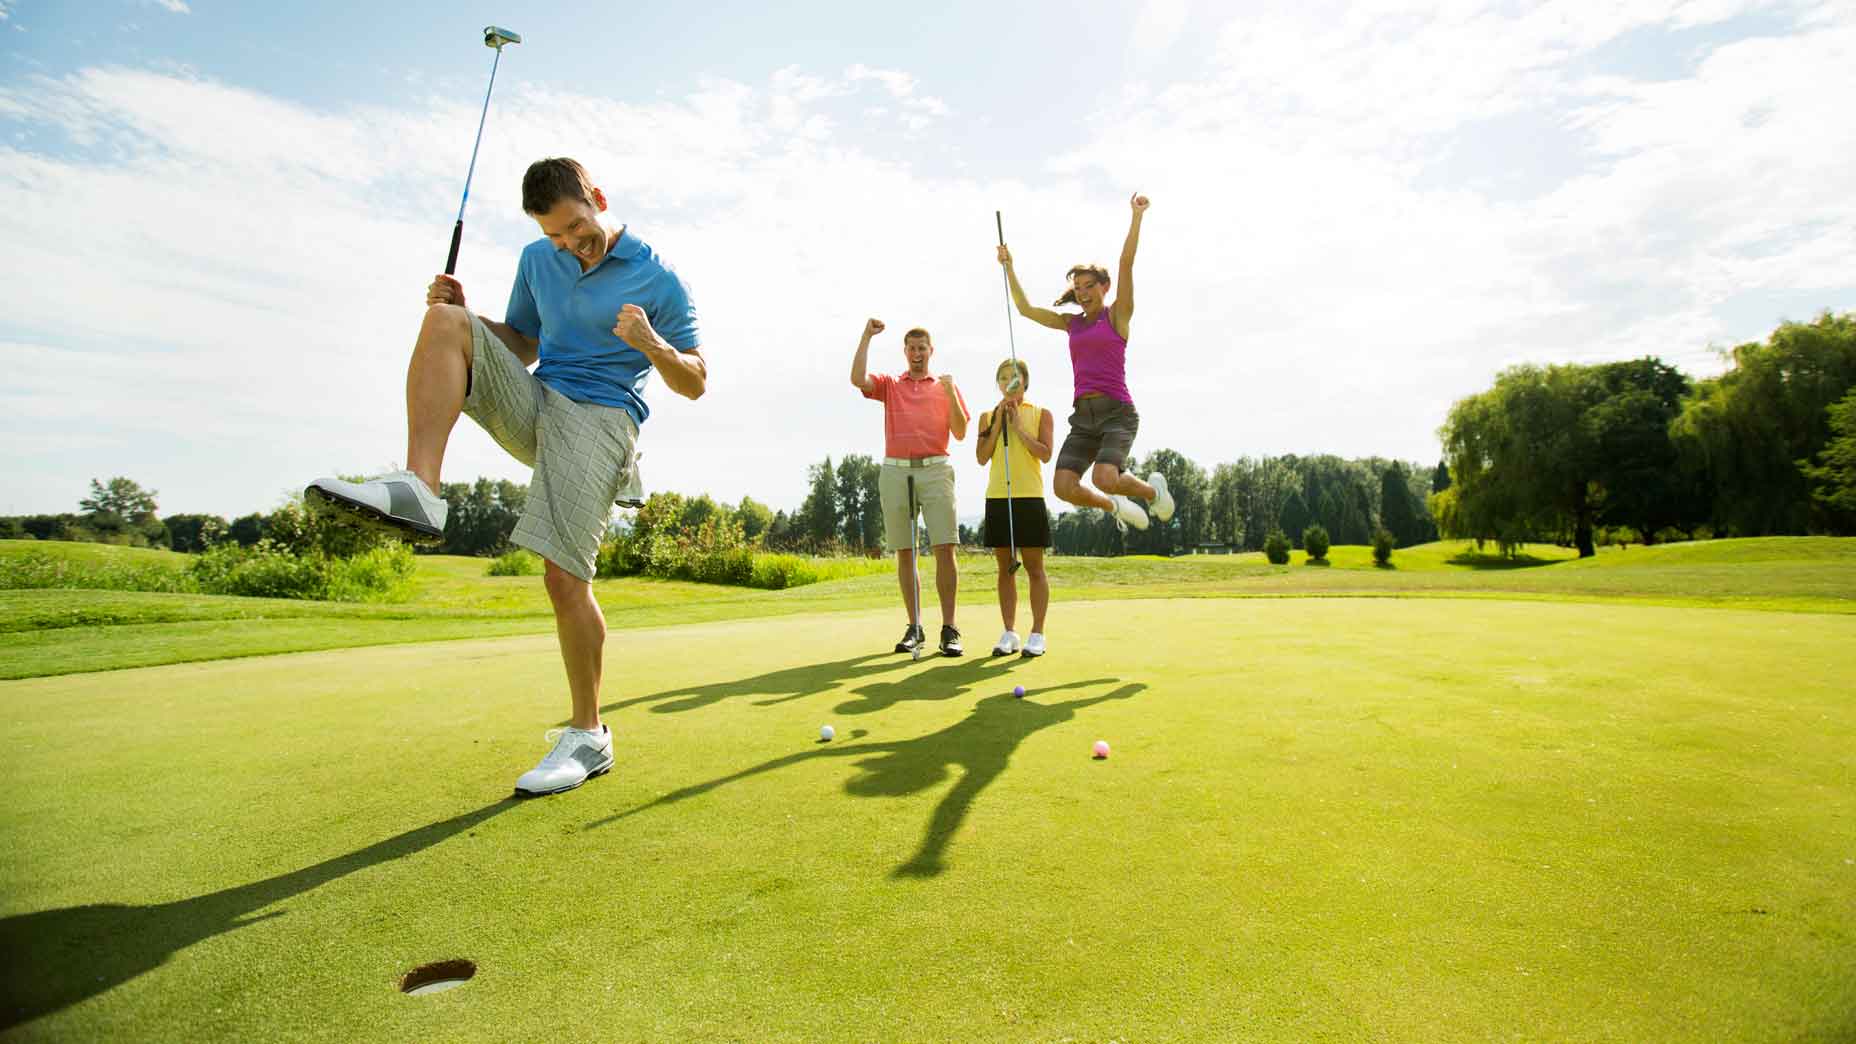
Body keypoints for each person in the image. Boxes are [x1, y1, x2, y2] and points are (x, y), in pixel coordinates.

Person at [306, 157, 706, 797]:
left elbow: (695, 382)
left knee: (562, 574)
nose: (570, 245)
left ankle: (588, 736)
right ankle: (420, 489)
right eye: (556, 237)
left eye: (578, 228)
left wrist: (652, 343)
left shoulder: (658, 277)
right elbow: (522, 344)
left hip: (602, 421)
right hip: (539, 401)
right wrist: (473, 318)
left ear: (598, 199)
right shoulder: (537, 260)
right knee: (444, 321)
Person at [995, 192, 1173, 533]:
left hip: (1117, 413)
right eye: (1077, 288)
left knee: (1105, 476)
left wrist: (1136, 217)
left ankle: (1152, 492)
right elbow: (1025, 309)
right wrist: (1009, 267)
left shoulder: (1117, 316)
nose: (1083, 292)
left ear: (1104, 287)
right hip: (1084, 418)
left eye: (1089, 286)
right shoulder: (1071, 323)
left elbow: (1126, 263)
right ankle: (1115, 505)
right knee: (1063, 487)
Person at [849, 318, 971, 656]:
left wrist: (949, 392)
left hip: (935, 469)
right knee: (905, 551)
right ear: (905, 352)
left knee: (945, 548)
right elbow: (858, 379)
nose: (917, 353)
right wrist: (866, 336)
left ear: (931, 351)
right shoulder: (891, 384)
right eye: (911, 348)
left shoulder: (945, 386)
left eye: (922, 348)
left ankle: (949, 629)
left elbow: (960, 432)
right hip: (895, 471)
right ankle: (914, 626)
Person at [974, 358, 1053, 657]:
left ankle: (1038, 633)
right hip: (998, 498)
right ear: (998, 383)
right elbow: (982, 457)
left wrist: (1019, 426)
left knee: (1034, 568)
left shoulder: (1042, 414)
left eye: (1015, 377)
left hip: (1029, 497)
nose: (1009, 381)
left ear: (1025, 382)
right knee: (1005, 570)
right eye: (1003, 377)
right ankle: (1009, 632)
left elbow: (1045, 454)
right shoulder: (987, 416)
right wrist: (998, 424)